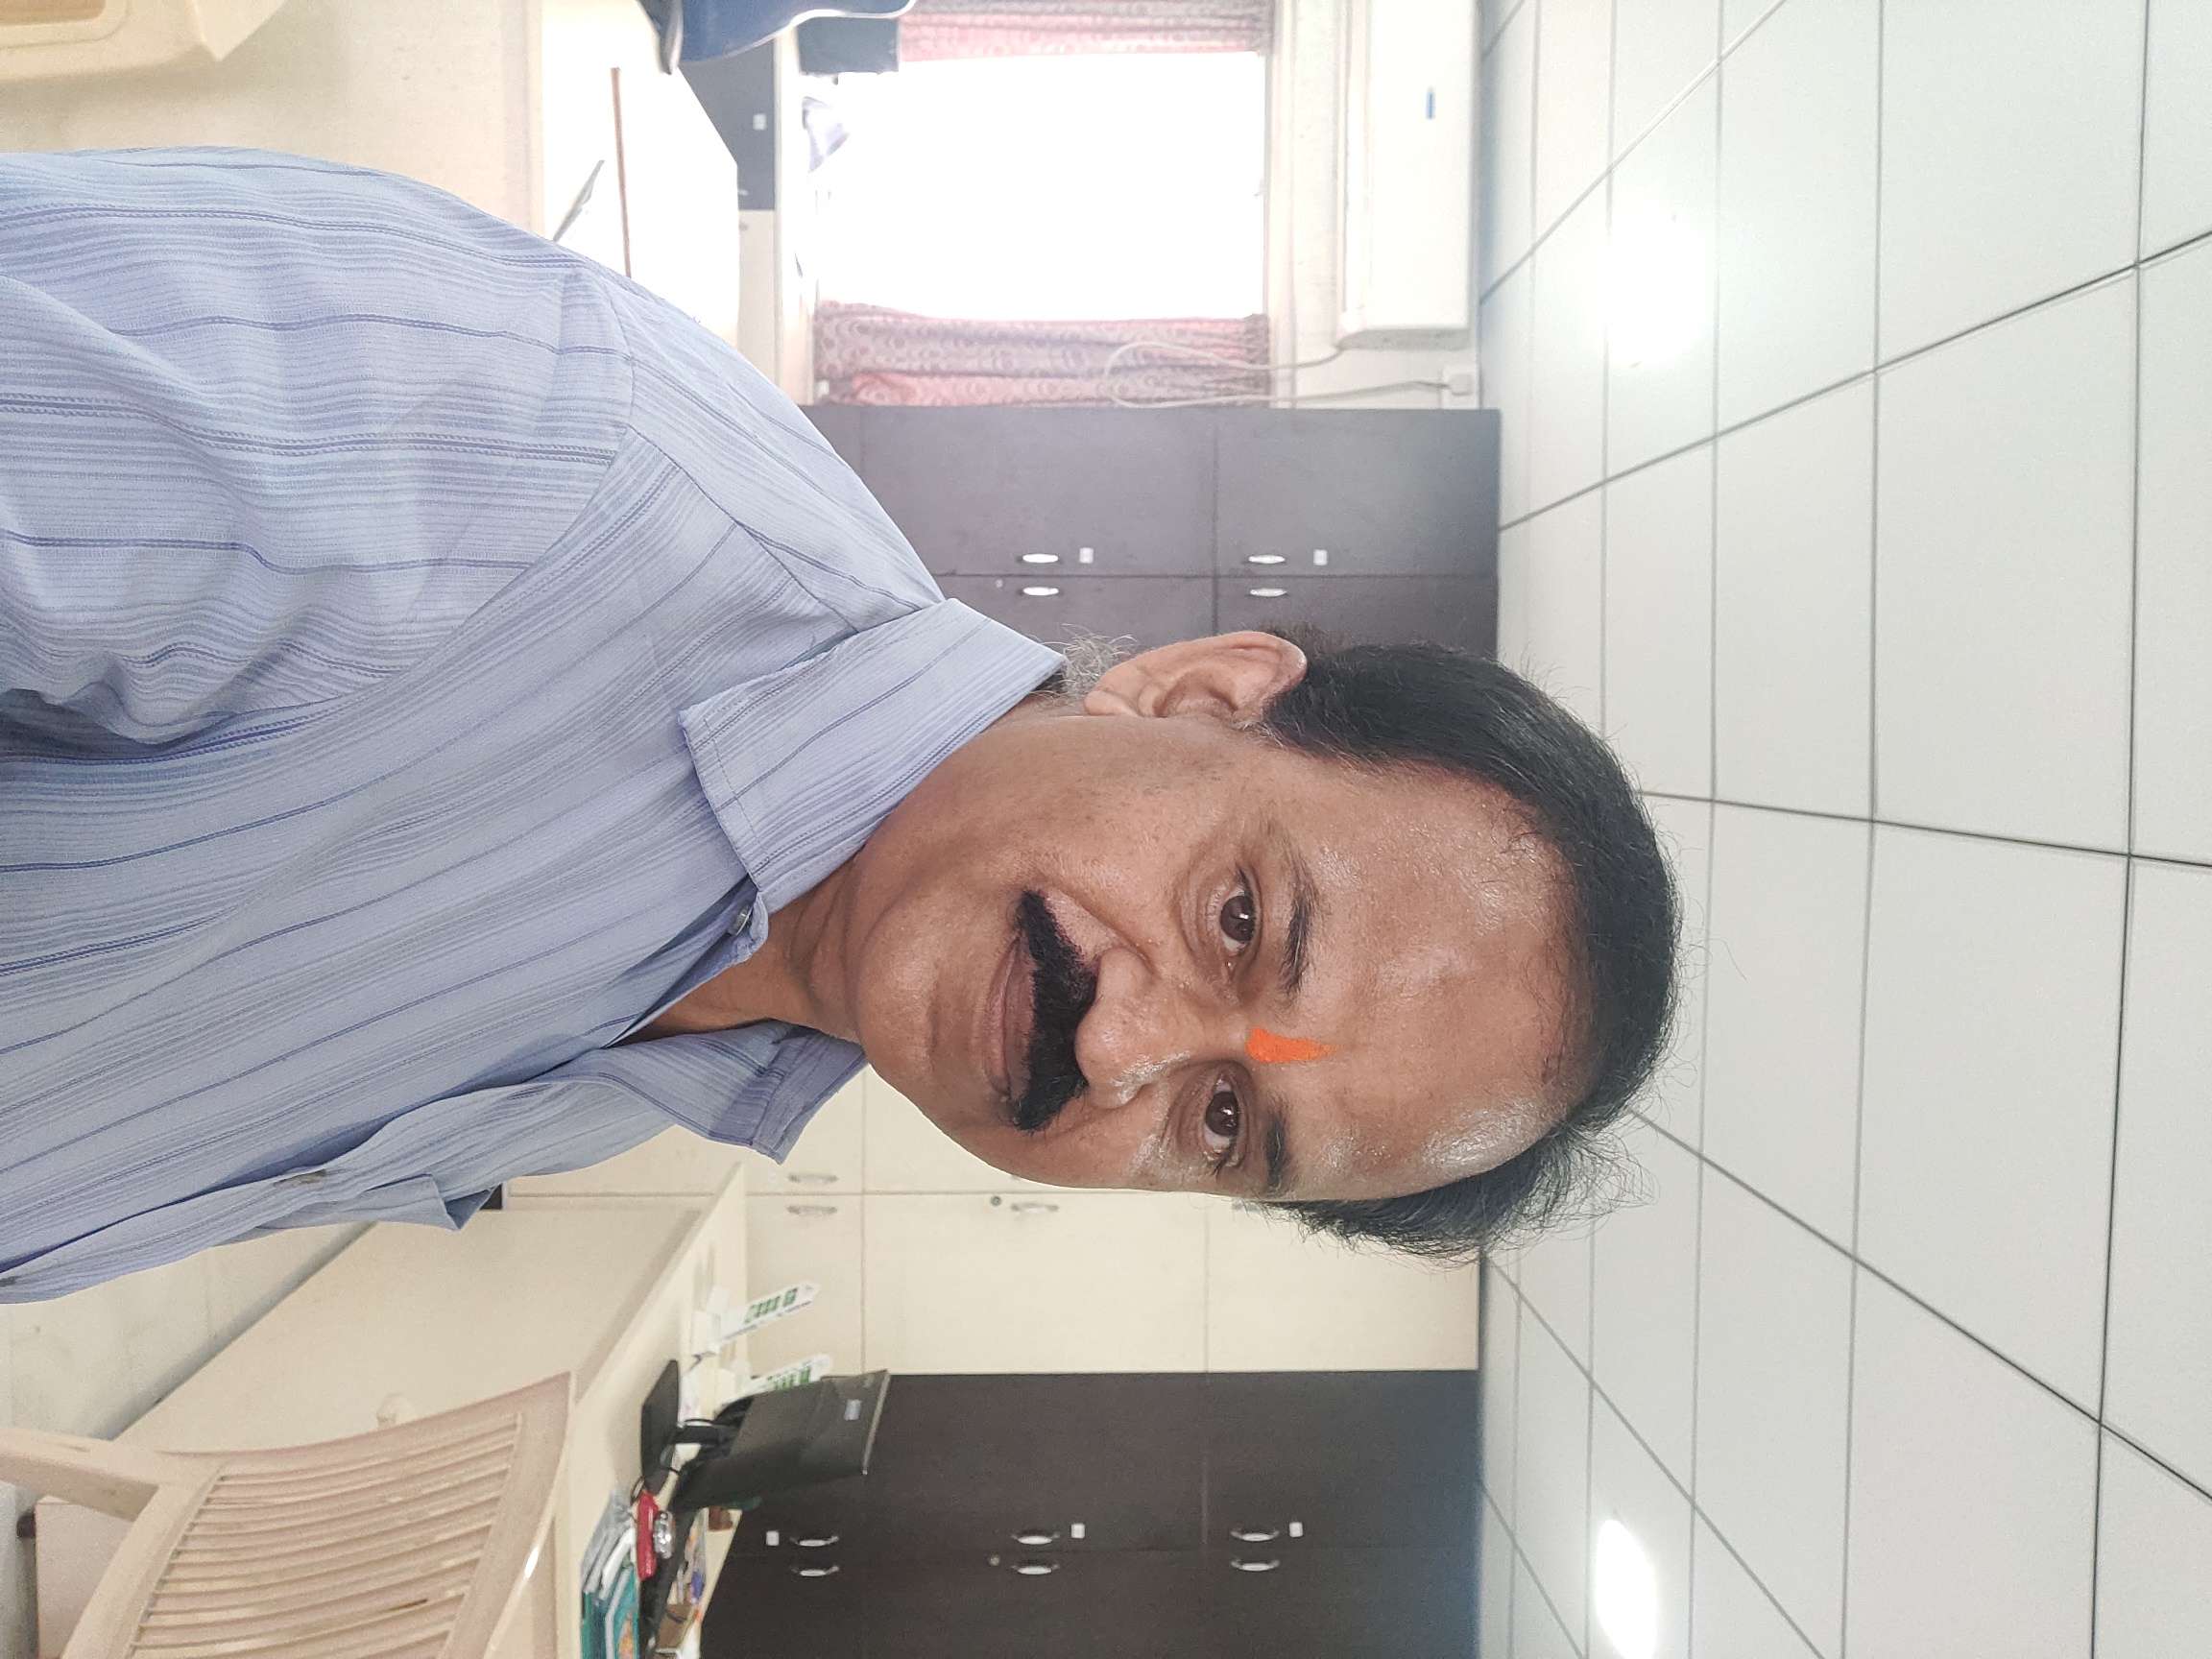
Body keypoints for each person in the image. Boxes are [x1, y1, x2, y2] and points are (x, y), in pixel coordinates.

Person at [0, 150, 1678, 1304]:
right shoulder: (549, 454)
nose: (1122, 1054)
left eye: (1225, 1125)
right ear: (1197, 695)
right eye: (1242, 922)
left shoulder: (667, 1072)